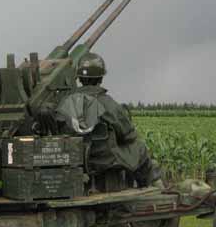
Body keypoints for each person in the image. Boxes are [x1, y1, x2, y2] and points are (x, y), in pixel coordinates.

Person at [54, 52, 162, 188]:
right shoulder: (108, 103)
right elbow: (128, 135)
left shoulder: (65, 103)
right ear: (100, 78)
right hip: (106, 159)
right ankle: (155, 188)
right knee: (139, 148)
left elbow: (57, 130)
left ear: (79, 78)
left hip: (76, 159)